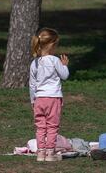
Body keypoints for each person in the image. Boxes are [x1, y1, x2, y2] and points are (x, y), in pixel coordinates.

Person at [29, 28, 70, 162]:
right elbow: (64, 76)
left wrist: (32, 101)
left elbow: (32, 85)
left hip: (39, 99)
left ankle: (41, 154)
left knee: (41, 127)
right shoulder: (54, 60)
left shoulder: (34, 63)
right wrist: (64, 65)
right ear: (52, 45)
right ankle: (50, 154)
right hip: (53, 98)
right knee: (52, 126)